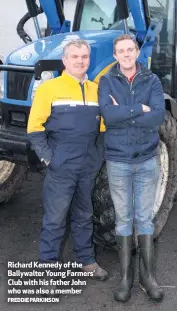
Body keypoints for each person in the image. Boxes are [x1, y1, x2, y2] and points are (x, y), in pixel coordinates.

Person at [27, 39, 108, 281]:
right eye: (75, 57)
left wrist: (97, 160)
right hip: (61, 165)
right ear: (65, 60)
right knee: (55, 218)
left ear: (88, 60)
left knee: (84, 215)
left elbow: (102, 131)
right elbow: (34, 129)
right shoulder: (49, 89)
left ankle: (87, 261)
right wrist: (49, 159)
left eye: (84, 57)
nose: (80, 61)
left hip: (87, 166)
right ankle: (48, 266)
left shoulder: (96, 91)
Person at [98, 34, 165, 301]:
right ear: (115, 56)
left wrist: (124, 112)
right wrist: (139, 107)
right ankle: (126, 278)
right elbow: (108, 115)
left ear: (137, 52)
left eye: (130, 50)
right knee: (124, 219)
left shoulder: (152, 80)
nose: (126, 54)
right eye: (121, 51)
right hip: (118, 161)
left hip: (147, 159)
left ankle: (148, 278)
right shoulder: (107, 81)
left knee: (144, 218)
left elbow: (157, 117)